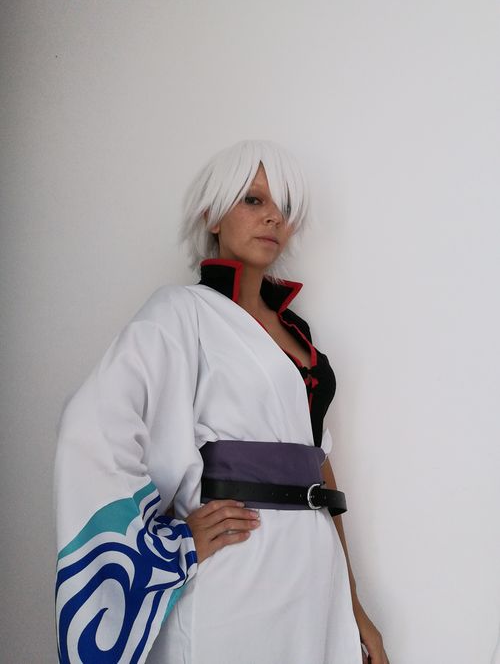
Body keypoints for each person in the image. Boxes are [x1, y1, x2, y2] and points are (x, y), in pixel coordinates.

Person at [54, 140, 390, 664]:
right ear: (212, 215)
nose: (274, 217)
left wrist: (354, 606)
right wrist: (173, 543)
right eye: (253, 200)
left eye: (285, 207)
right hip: (237, 566)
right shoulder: (180, 311)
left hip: (314, 572)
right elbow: (91, 429)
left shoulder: (299, 334)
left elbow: (318, 467)